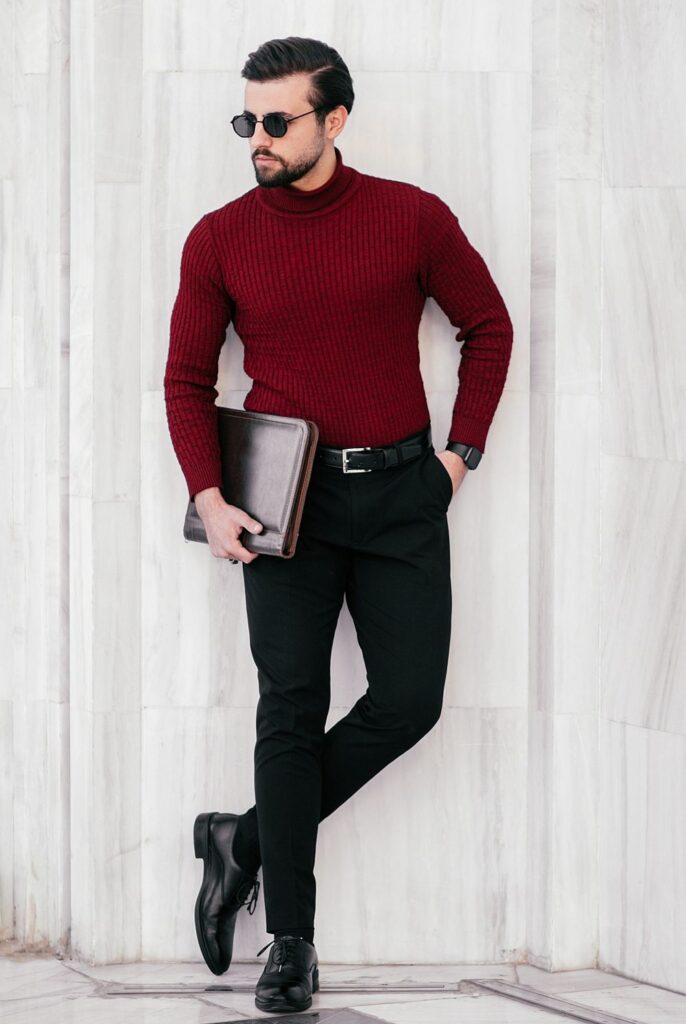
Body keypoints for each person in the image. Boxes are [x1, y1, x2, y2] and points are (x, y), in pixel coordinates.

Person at [164, 35, 514, 1015]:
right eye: (248, 120)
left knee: (407, 700)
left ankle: (241, 837)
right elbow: (187, 378)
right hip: (285, 504)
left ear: (334, 120)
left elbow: (486, 327)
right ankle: (291, 943)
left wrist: (458, 456)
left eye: (277, 121)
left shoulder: (410, 217)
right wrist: (207, 494)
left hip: (404, 491)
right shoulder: (220, 235)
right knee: (290, 704)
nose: (258, 139)